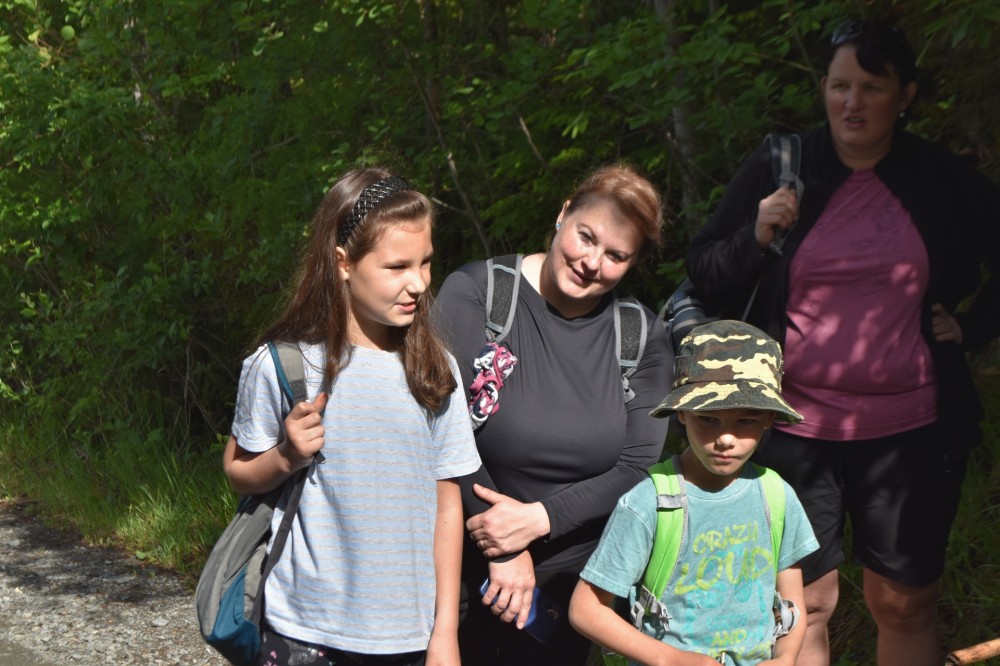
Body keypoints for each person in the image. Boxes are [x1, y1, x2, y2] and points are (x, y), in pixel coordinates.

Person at [685, 19, 1000, 666]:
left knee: (904, 603)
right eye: (839, 86)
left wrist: (973, 328)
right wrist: (757, 236)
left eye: (872, 87)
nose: (852, 103)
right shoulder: (784, 167)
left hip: (912, 435)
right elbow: (706, 269)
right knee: (803, 603)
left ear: (904, 95)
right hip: (794, 430)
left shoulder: (939, 177)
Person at [222, 168, 481, 666]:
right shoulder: (284, 365)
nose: (418, 283)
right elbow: (238, 471)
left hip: (410, 635)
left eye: (426, 262)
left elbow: (447, 504)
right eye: (397, 266)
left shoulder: (435, 368)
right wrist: (286, 456)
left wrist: (445, 631)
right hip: (304, 630)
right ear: (343, 262)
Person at [431, 164, 673, 665]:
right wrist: (503, 546)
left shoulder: (642, 338)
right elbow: (438, 421)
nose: (591, 262)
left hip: (567, 586)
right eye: (586, 236)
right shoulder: (477, 294)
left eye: (615, 256)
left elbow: (637, 466)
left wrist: (539, 519)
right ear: (564, 214)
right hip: (456, 561)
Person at [569, 319, 819, 665]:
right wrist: (671, 659)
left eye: (745, 420)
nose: (726, 438)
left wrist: (786, 657)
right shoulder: (648, 504)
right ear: (683, 414)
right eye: (708, 418)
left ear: (768, 418)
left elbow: (791, 604)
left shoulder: (776, 495)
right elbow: (586, 609)